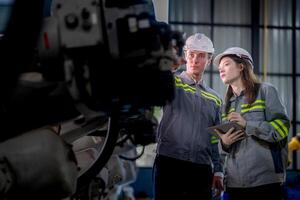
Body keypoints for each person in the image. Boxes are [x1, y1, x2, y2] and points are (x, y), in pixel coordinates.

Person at [213, 47, 290, 200]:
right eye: (219, 67)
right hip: (235, 184)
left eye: (226, 64)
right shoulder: (225, 106)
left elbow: (282, 129)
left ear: (241, 66)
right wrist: (225, 143)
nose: (221, 69)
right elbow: (221, 148)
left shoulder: (266, 91)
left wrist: (248, 124)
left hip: (265, 182)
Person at [153, 33, 224, 200]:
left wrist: (219, 170)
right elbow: (154, 81)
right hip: (170, 163)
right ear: (185, 56)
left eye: (201, 55)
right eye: (191, 55)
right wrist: (170, 67)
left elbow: (215, 139)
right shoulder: (172, 82)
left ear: (209, 60)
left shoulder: (215, 98)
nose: (195, 60)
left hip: (201, 169)